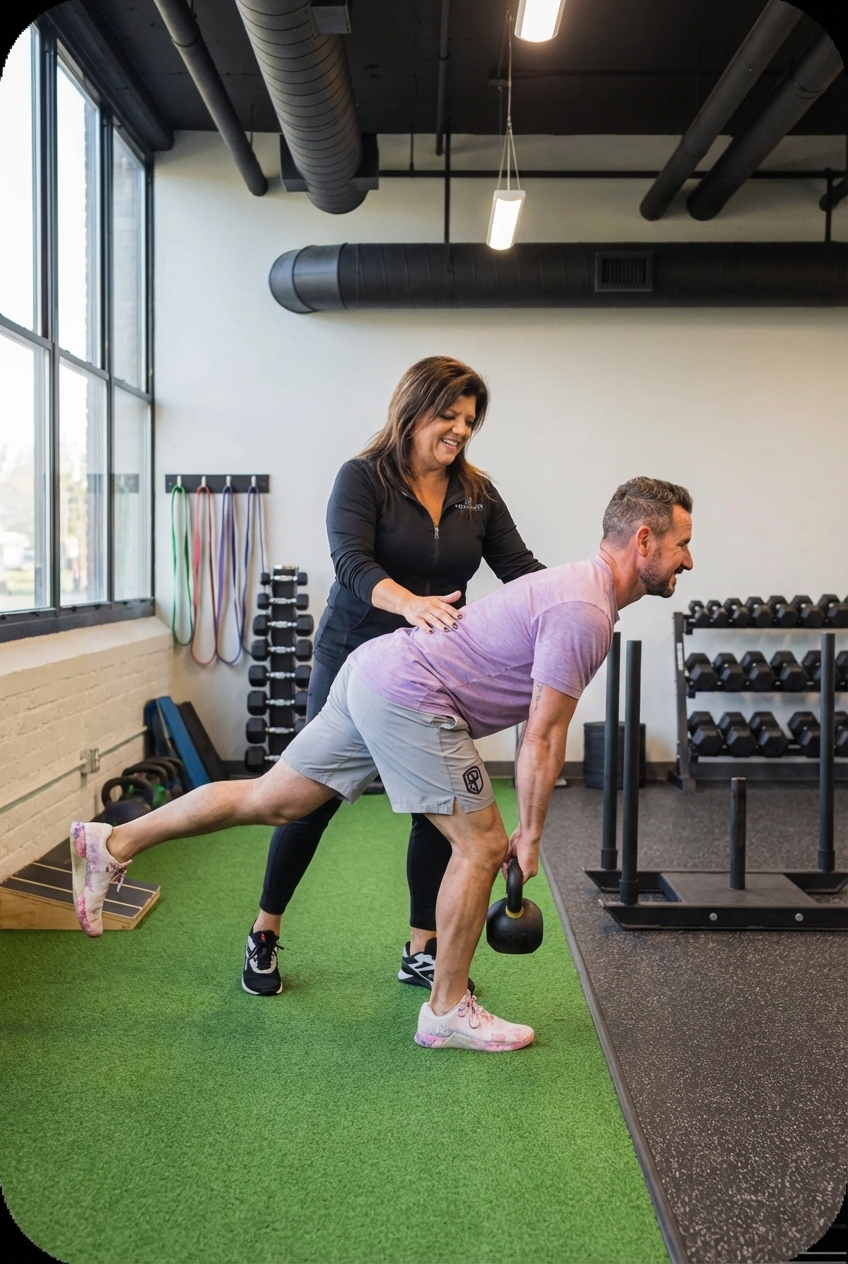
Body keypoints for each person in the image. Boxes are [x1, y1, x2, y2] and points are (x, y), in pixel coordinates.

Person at [70, 477, 693, 1053]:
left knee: (273, 800)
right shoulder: (584, 611)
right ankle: (446, 1011)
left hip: (374, 670)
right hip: (412, 691)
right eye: (682, 544)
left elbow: (538, 724)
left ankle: (114, 841)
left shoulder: (572, 590)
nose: (687, 561)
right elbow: (544, 737)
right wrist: (528, 836)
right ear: (644, 540)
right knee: (482, 846)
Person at [246, 356, 543, 998]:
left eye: (470, 419)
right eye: (449, 414)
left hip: (437, 670)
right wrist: (409, 603)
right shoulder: (363, 478)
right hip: (355, 654)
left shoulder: (477, 494)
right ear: (413, 409)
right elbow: (349, 561)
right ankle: (264, 931)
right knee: (309, 800)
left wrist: (579, 600)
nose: (461, 429)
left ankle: (421, 949)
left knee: (435, 808)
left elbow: (520, 567)